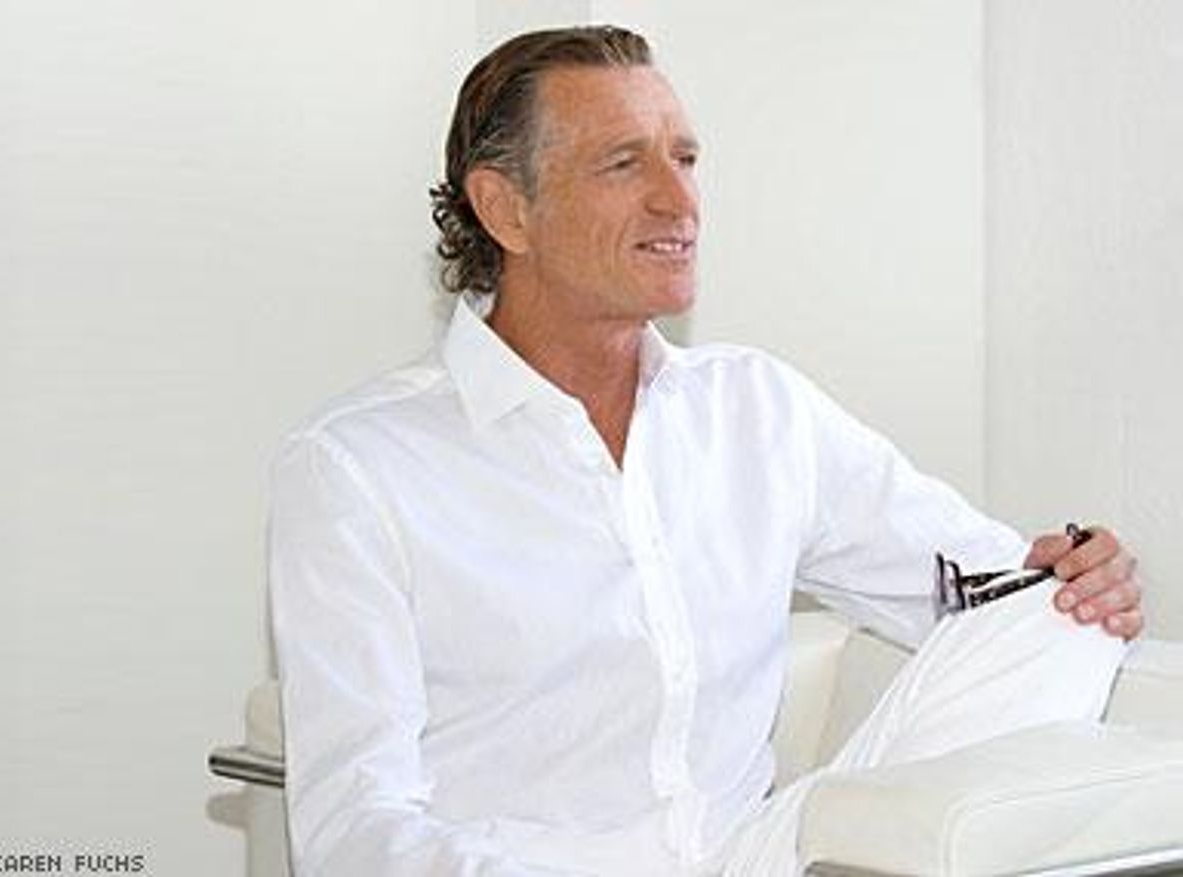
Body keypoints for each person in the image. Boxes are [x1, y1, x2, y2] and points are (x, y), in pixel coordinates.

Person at [267, 25, 1142, 876]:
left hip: (760, 857)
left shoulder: (757, 408)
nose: (678, 201)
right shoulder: (356, 466)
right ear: (506, 208)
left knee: (1061, 616)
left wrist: (1075, 573)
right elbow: (353, 828)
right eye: (623, 163)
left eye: (684, 158)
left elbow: (979, 585)